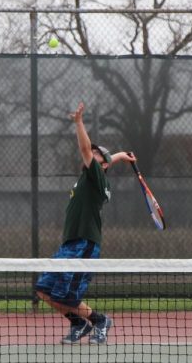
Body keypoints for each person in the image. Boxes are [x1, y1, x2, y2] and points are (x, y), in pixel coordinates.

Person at [35, 102, 136, 345]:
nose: (90, 154)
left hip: (85, 244)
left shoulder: (97, 178)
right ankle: (79, 323)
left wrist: (79, 122)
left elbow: (85, 149)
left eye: (97, 155)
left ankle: (100, 321)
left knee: (68, 296)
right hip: (68, 244)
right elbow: (101, 159)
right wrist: (121, 156)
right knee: (43, 289)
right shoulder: (90, 176)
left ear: (101, 166)